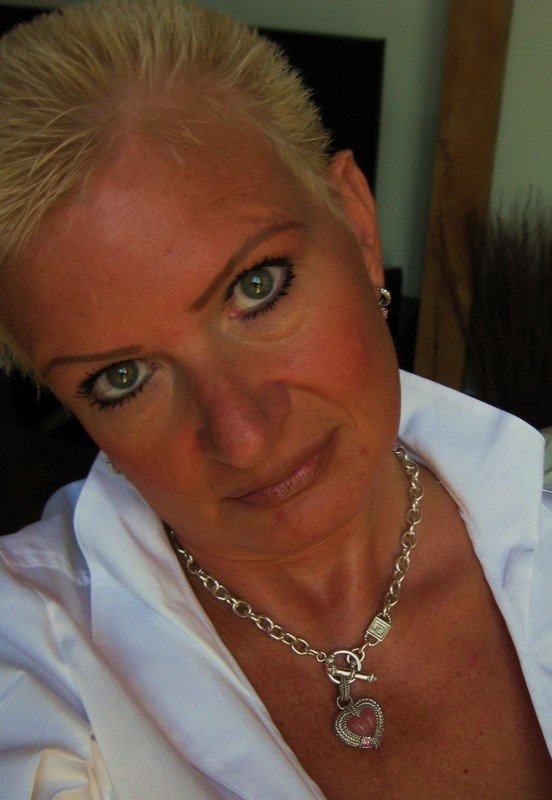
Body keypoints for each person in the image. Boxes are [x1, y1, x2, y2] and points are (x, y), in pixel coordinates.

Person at [0, 1, 550, 797]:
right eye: (122, 378)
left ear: (358, 226)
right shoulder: (30, 662)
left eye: (257, 287)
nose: (244, 436)